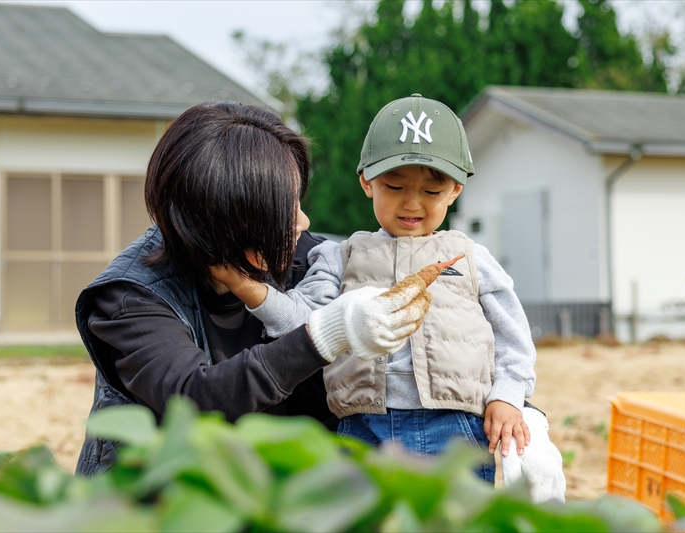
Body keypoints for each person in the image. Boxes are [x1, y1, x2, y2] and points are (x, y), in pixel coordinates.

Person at [74, 101, 432, 476]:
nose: (302, 222)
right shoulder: (132, 297)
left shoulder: (309, 259)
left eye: (296, 201)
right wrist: (324, 334)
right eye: (279, 211)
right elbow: (196, 398)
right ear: (224, 221)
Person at [212, 94, 538, 484]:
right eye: (394, 185)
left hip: (455, 429)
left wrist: (507, 396)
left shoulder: (470, 258)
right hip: (363, 428)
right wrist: (245, 287)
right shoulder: (340, 256)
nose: (412, 203)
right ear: (367, 182)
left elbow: (513, 340)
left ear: (455, 190)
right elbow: (303, 323)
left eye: (432, 192)